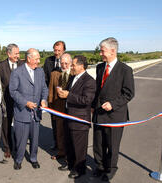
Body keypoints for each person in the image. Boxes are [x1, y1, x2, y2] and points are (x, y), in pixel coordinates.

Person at [91, 37, 135, 181]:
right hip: (99, 113)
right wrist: (92, 107)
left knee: (112, 145)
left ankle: (110, 169)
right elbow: (98, 90)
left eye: (102, 51)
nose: (100, 54)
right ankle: (100, 166)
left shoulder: (125, 70)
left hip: (115, 115)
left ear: (112, 51)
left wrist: (113, 104)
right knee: (98, 144)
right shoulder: (99, 67)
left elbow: (128, 93)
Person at [57, 55, 96, 179]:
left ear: (81, 66)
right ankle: (70, 164)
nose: (71, 67)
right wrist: (63, 94)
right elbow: (70, 94)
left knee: (79, 147)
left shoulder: (89, 81)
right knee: (69, 143)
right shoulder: (73, 77)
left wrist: (69, 95)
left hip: (80, 119)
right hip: (69, 116)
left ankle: (79, 169)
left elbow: (87, 100)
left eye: (73, 65)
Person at [9, 48, 48, 170]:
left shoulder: (40, 71)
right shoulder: (17, 72)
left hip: (36, 113)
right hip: (22, 112)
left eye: (39, 59)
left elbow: (44, 88)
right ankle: (19, 159)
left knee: (35, 139)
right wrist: (26, 103)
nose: (38, 61)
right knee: (21, 140)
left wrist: (43, 99)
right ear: (29, 58)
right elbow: (13, 91)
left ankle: (33, 158)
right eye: (36, 59)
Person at [0, 43, 24, 158]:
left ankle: (19, 146)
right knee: (6, 126)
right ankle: (8, 148)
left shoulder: (22, 64)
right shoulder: (0, 66)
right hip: (6, 102)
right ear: (9, 53)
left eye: (18, 53)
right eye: (16, 53)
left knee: (19, 125)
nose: (18, 55)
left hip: (20, 101)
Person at [48, 53, 72, 160]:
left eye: (66, 63)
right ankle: (61, 152)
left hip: (71, 109)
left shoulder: (74, 74)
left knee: (70, 133)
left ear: (71, 63)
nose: (64, 66)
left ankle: (70, 155)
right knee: (60, 132)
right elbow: (51, 93)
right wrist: (51, 109)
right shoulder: (54, 74)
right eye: (62, 63)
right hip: (58, 109)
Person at [43, 40, 66, 150]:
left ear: (64, 50)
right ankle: (56, 142)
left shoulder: (67, 61)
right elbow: (45, 79)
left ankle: (64, 145)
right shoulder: (48, 61)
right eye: (55, 50)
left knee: (64, 123)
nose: (57, 53)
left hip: (64, 98)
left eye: (59, 50)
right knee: (54, 121)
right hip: (51, 97)